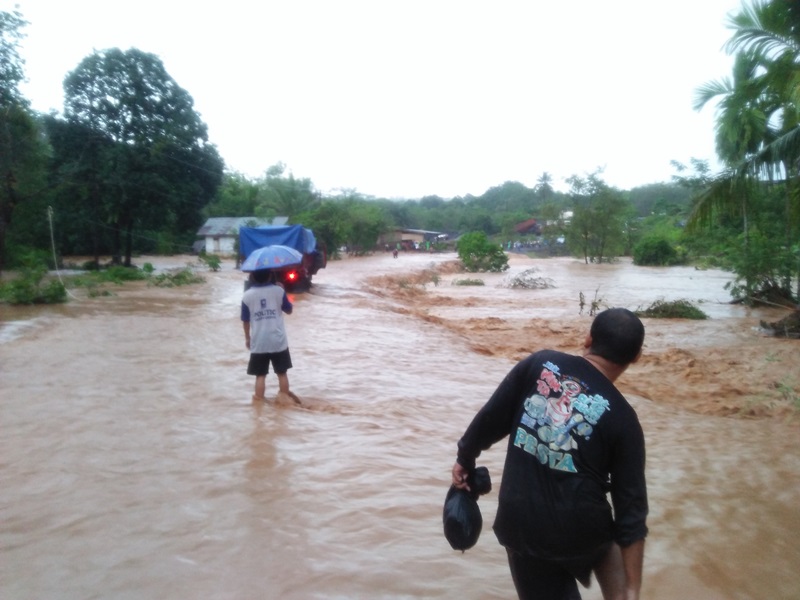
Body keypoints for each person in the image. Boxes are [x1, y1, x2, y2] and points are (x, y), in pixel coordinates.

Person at [451, 308, 648, 600]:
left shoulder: (540, 364)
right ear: (636, 357)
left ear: (587, 339)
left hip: (522, 522)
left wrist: (465, 458)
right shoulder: (625, 420)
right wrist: (633, 587)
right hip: (583, 530)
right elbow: (631, 511)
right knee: (604, 541)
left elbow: (491, 418)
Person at [241, 269, 295, 402]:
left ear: (252, 276)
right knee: (282, 373)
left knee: (260, 375)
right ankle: (285, 402)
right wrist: (283, 291)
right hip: (278, 340)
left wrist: (248, 338)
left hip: (259, 341)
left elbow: (245, 320)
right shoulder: (279, 291)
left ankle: (259, 406)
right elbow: (289, 310)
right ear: (270, 275)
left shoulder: (247, 296)